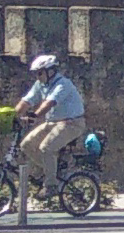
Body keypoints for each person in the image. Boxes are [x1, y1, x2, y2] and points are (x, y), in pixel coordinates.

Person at [15, 54, 85, 191]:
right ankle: (52, 171)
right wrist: (13, 115)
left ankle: (51, 185)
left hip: (72, 123)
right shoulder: (40, 84)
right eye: (36, 73)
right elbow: (26, 101)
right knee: (26, 145)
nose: (37, 77)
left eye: (39, 73)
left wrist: (34, 115)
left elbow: (49, 103)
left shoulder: (63, 84)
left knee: (46, 148)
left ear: (50, 71)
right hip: (53, 122)